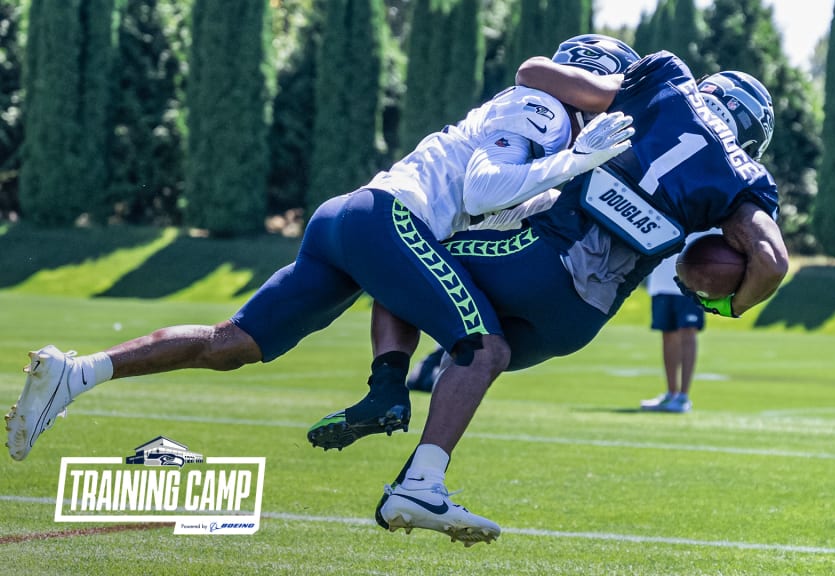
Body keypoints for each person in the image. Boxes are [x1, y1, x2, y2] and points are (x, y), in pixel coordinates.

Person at [5, 36, 639, 546]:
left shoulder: (547, 119)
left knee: (233, 344)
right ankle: (420, 486)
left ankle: (77, 373)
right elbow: (481, 188)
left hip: (357, 222)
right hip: (386, 218)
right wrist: (575, 161)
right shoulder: (544, 108)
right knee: (485, 349)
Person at [337, 50, 790, 544]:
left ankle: (387, 385)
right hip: (579, 320)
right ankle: (421, 484)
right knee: (483, 353)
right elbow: (772, 260)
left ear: (713, 88)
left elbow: (533, 73)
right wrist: (726, 303)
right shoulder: (743, 174)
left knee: (403, 248)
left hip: (535, 259)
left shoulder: (667, 81)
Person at [640, 246, 706, 413]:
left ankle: (683, 397)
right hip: (660, 282)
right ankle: (671, 393)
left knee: (688, 333)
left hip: (691, 281)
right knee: (667, 334)